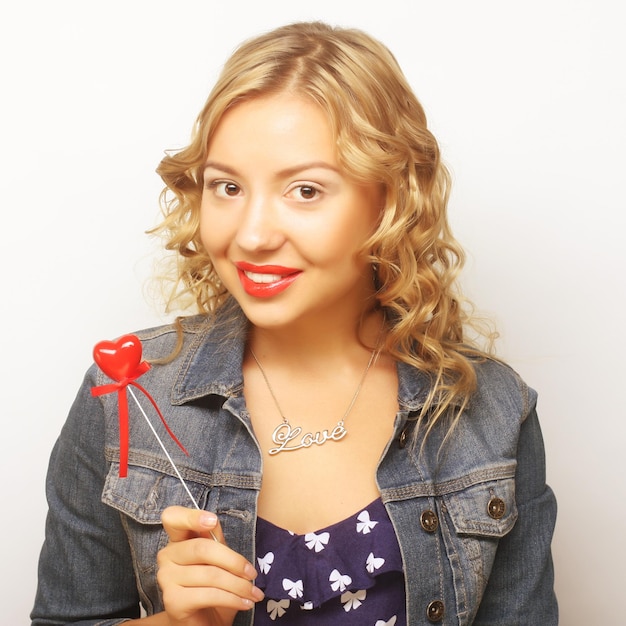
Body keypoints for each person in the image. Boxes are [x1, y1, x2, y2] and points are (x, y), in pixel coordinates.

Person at [31, 20, 558, 626]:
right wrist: (173, 625)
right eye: (226, 186)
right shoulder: (127, 399)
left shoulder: (492, 411)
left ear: (390, 201)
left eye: (305, 190)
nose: (251, 235)